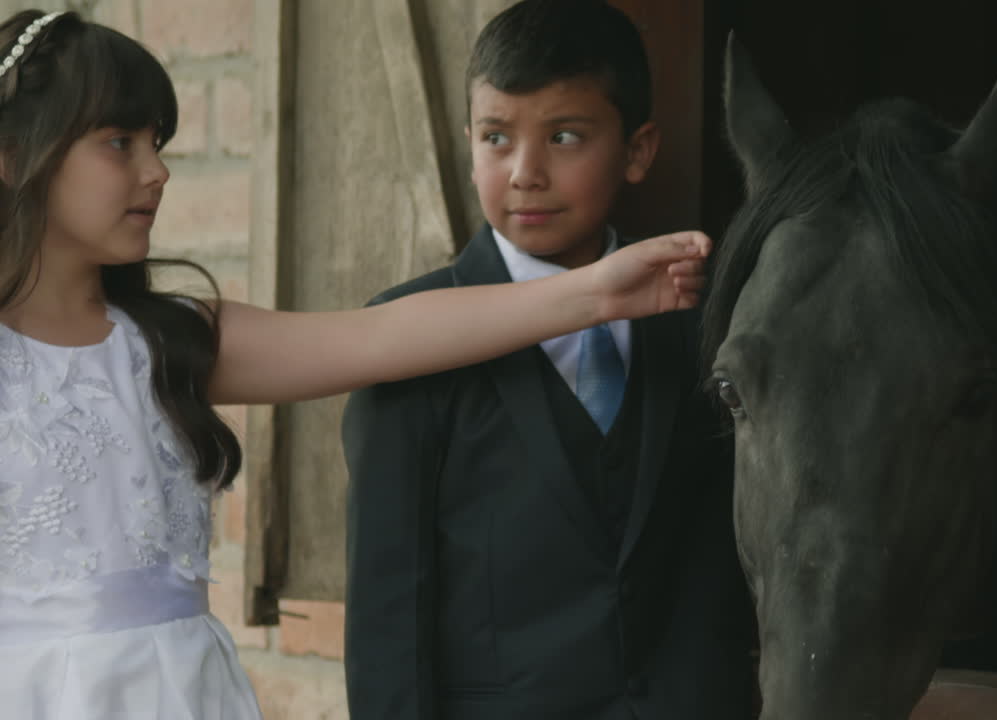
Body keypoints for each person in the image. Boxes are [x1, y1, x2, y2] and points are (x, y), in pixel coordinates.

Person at [0, 9, 711, 719]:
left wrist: (594, 291)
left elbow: (385, 337)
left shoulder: (170, 342)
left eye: (156, 143)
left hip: (186, 696)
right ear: (10, 153)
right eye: (119, 143)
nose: (155, 172)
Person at [342, 2, 757, 719]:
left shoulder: (701, 319)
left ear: (637, 149)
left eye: (564, 136)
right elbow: (388, 602)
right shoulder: (409, 335)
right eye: (496, 138)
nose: (525, 173)